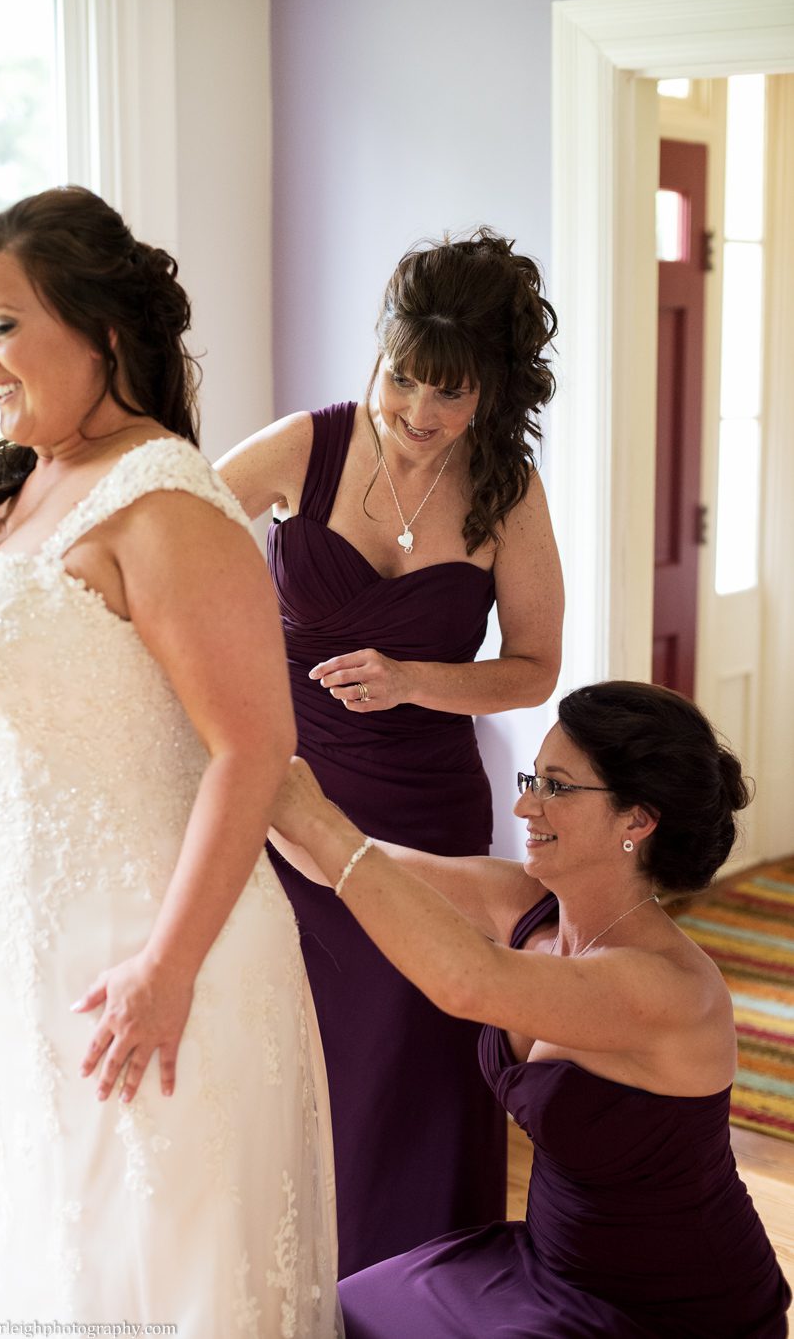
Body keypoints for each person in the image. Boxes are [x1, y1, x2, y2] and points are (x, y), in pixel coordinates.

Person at [0, 186, 340, 1333]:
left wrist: (166, 966)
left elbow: (255, 747)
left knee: (156, 1265)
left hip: (155, 958)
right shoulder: (21, 480)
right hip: (28, 958)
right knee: (66, 1248)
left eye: (4, 323)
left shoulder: (165, 502)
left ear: (102, 327)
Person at [217, 228, 564, 1276]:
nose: (416, 413)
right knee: (306, 1047)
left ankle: (414, 1278)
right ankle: (294, 1273)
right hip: (291, 803)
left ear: (491, 396)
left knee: (416, 1052)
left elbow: (536, 666)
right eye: (402, 376)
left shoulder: (509, 493)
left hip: (429, 814)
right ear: (380, 349)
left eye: (448, 396)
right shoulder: (301, 448)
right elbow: (169, 548)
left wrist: (416, 680)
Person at [270, 680, 792, 1338]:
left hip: (668, 1307)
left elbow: (468, 983)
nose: (523, 805)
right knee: (333, 1314)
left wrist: (322, 821)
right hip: (545, 1265)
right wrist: (254, 776)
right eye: (531, 778)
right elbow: (351, 869)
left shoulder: (666, 988)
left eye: (556, 786)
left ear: (637, 819)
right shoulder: (523, 904)